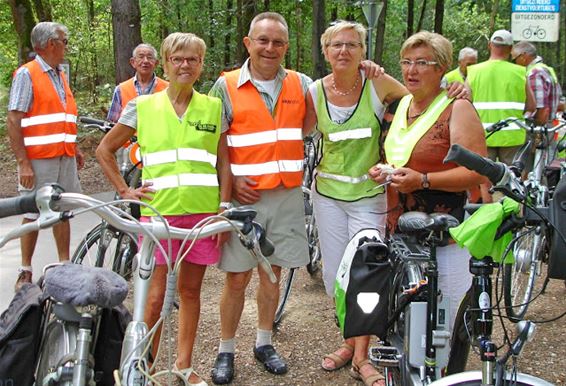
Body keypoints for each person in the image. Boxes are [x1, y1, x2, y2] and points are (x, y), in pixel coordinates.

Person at [97, 32, 229, 386]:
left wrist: (226, 207)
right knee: (154, 298)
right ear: (166, 64)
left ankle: (184, 366)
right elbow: (104, 150)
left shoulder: (214, 107)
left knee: (190, 292)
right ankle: (150, 369)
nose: (185, 65)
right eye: (177, 59)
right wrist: (125, 190)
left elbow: (223, 162)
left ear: (201, 64)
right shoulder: (142, 106)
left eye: (192, 59)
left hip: (202, 216)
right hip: (158, 217)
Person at [369, 31, 488, 381]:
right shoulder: (400, 105)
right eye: (407, 62)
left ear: (443, 69)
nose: (412, 70)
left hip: (443, 237)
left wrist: (423, 180)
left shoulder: (457, 107)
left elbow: (477, 172)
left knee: (444, 326)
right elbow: (394, 153)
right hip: (400, 233)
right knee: (406, 318)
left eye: (423, 63)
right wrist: (382, 171)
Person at [207, 12, 311, 384]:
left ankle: (264, 342)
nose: (270, 48)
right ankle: (226, 349)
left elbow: (329, 110)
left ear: (286, 47)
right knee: (236, 278)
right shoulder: (226, 85)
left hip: (285, 195)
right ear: (248, 43)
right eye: (262, 40)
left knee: (272, 275)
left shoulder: (301, 84)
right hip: (244, 200)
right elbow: (216, 144)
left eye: (278, 42)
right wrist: (230, 182)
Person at [302, 20, 408, 386]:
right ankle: (349, 341)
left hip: (369, 196)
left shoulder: (378, 84)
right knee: (336, 277)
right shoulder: (314, 91)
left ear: (364, 51)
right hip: (328, 196)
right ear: (326, 51)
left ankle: (362, 357)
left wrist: (457, 89)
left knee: (367, 273)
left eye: (352, 45)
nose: (344, 51)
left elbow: (420, 103)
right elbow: (294, 130)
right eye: (336, 45)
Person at [7, 21, 83, 291]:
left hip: (63, 155)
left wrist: (74, 148)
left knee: (62, 210)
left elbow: (62, 116)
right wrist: (23, 162)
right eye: (64, 41)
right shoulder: (27, 74)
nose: (66, 47)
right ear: (51, 44)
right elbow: (14, 119)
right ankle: (25, 270)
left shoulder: (60, 73)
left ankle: (65, 265)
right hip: (38, 159)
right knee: (32, 210)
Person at [466, 29, 535, 164]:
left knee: (483, 178)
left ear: (489, 45)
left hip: (483, 133)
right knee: (511, 179)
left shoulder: (474, 71)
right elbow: (531, 106)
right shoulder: (519, 72)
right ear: (510, 49)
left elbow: (465, 103)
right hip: (512, 135)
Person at [106, 43, 168, 123]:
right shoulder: (121, 89)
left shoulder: (168, 89)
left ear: (156, 63)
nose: (145, 61)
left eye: (149, 57)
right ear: (133, 62)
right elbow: (112, 122)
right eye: (141, 57)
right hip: (129, 135)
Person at [511, 41, 562, 127]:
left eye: (514, 59)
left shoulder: (534, 73)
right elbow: (560, 103)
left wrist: (537, 132)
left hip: (538, 128)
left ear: (523, 56)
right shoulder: (547, 69)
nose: (515, 63)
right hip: (549, 125)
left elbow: (542, 109)